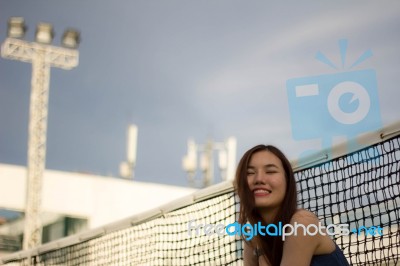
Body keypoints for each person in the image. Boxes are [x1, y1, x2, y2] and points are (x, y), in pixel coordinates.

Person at [234, 144, 349, 266]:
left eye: (270, 171)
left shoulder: (303, 222)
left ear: (287, 181)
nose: (259, 179)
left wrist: (261, 254)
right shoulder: (254, 235)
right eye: (249, 173)